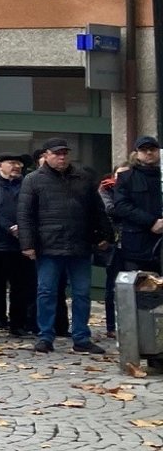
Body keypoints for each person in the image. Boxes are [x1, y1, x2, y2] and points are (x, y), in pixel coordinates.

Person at [18, 137, 109, 355]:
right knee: (46, 292)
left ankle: (81, 337)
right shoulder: (33, 180)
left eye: (65, 153)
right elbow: (25, 215)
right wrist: (27, 244)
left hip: (80, 244)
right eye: (57, 153)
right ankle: (45, 336)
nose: (62, 157)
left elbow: (97, 210)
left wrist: (105, 235)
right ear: (46, 155)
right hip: (48, 246)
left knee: (82, 293)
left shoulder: (83, 178)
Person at [0, 152, 35, 337]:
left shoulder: (27, 184)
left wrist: (24, 228)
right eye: (12, 162)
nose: (16, 166)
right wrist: (9, 228)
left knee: (21, 287)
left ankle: (18, 324)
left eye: (19, 164)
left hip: (22, 244)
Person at [113, 135, 163, 276]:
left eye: (152, 149)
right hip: (137, 245)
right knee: (140, 291)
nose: (149, 153)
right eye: (144, 150)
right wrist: (151, 222)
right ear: (137, 153)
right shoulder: (126, 177)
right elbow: (122, 206)